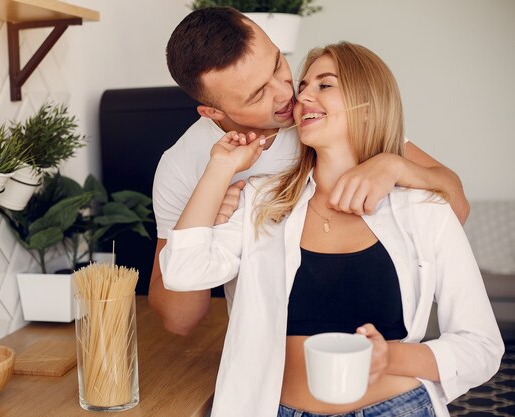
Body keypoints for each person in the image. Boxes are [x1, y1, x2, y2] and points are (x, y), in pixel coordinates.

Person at [159, 41, 503, 417]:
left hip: (398, 408)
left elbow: (481, 347)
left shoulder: (424, 210)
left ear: (368, 106)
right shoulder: (260, 201)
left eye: (324, 85)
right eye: (304, 85)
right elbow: (181, 273)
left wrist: (390, 357)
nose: (302, 94)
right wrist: (220, 167)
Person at [150, 7, 470, 336]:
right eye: (259, 94)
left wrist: (393, 165)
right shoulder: (182, 166)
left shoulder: (322, 114)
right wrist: (205, 217)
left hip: (376, 336)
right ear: (212, 111)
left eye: (277, 64)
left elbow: (456, 205)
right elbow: (180, 319)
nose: (289, 93)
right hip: (272, 349)